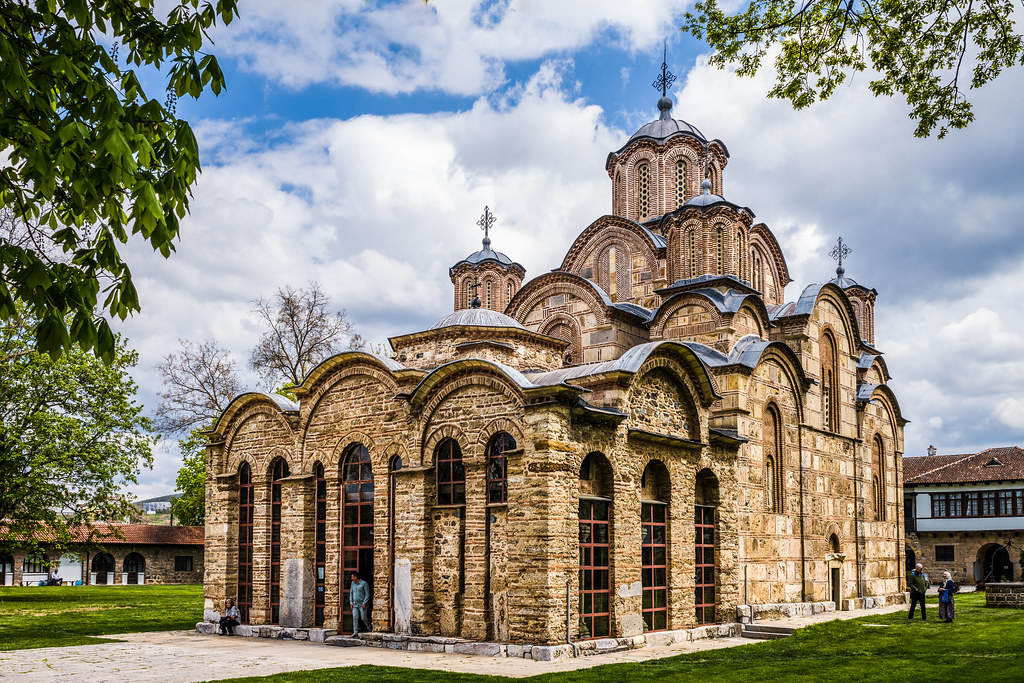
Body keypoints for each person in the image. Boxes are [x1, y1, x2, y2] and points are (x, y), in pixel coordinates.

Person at [349, 571, 370, 637]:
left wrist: (364, 603)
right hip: (355, 604)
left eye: (352, 577)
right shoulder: (352, 583)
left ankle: (369, 628)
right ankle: (355, 632)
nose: (351, 578)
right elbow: (351, 593)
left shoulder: (364, 583)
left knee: (363, 618)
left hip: (362, 605)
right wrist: (351, 602)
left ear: (356, 577)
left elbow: (367, 594)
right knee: (355, 618)